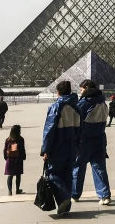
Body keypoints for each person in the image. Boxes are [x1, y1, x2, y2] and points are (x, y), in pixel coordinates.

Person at [41, 81, 80, 216]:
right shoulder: (77, 107)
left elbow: (49, 130)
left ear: (58, 92)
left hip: (58, 146)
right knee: (68, 175)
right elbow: (81, 131)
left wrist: (46, 149)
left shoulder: (56, 107)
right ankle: (66, 206)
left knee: (52, 173)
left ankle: (63, 198)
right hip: (72, 146)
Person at [72, 79, 112, 205]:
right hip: (100, 139)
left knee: (78, 168)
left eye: (82, 89)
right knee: (99, 167)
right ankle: (104, 195)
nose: (81, 92)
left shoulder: (84, 102)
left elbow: (75, 119)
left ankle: (75, 194)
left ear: (87, 88)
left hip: (84, 140)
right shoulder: (103, 102)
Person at [3, 125, 26, 196]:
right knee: (18, 175)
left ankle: (9, 191)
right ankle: (17, 189)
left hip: (10, 159)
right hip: (18, 159)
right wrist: (23, 157)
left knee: (10, 175)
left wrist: (6, 157)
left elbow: (5, 150)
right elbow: (22, 149)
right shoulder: (20, 139)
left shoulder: (8, 139)